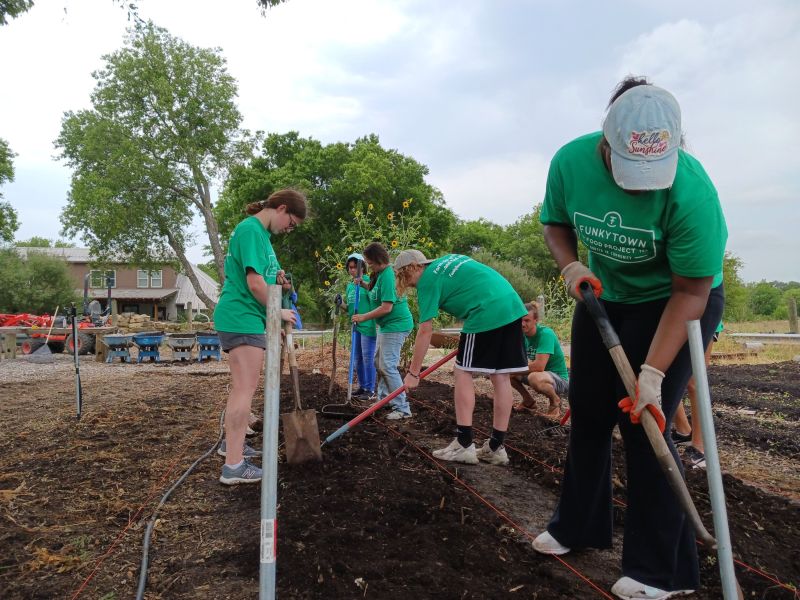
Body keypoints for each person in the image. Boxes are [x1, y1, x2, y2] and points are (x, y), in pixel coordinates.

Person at [533, 77, 726, 600]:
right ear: (607, 142)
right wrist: (571, 265)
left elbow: (692, 291)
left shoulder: (693, 192)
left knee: (647, 423)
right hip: (606, 296)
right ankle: (578, 526)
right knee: (590, 411)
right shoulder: (570, 163)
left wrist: (652, 375)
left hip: (677, 303)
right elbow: (554, 223)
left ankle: (662, 571)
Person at [395, 250, 529, 466]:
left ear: (411, 269)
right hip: (512, 307)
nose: (411, 285)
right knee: (501, 377)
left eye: (407, 280)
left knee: (462, 372)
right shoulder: (449, 260)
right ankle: (496, 447)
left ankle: (464, 444)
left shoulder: (427, 281)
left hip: (485, 311)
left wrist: (413, 373)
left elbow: (425, 331)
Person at [213, 188, 306, 485]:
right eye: (291, 223)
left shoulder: (262, 237)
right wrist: (278, 313)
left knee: (241, 388)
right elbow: (254, 285)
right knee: (244, 389)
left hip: (248, 317)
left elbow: (264, 279)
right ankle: (233, 467)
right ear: (281, 208)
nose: (289, 230)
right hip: (241, 316)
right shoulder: (251, 230)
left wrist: (277, 283)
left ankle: (233, 445)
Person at [351, 242, 414, 419]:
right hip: (386, 326)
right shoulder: (378, 275)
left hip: (397, 324)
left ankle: (402, 408)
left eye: (370, 262)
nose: (368, 265)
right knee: (379, 362)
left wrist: (363, 317)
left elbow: (386, 307)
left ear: (379, 260)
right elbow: (375, 292)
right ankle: (385, 399)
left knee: (387, 365)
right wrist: (363, 284)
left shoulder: (387, 275)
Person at [672, 321, 723, 469]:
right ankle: (683, 431)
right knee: (667, 376)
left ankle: (699, 448)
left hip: (701, 317)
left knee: (695, 380)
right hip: (669, 314)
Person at [511, 301, 569, 419]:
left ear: (536, 320)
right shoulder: (521, 336)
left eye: (527, 320)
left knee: (532, 376)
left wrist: (514, 370)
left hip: (558, 379)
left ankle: (555, 403)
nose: (522, 324)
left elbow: (539, 366)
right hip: (540, 375)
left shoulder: (545, 334)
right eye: (520, 320)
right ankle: (528, 402)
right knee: (505, 372)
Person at [340, 253, 378, 400]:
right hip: (355, 326)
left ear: (362, 267)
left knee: (368, 358)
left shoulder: (368, 282)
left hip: (368, 325)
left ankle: (370, 390)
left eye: (355, 267)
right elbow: (350, 308)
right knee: (357, 359)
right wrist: (341, 304)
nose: (352, 270)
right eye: (350, 267)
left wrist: (361, 283)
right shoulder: (350, 286)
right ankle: (362, 387)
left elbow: (375, 303)